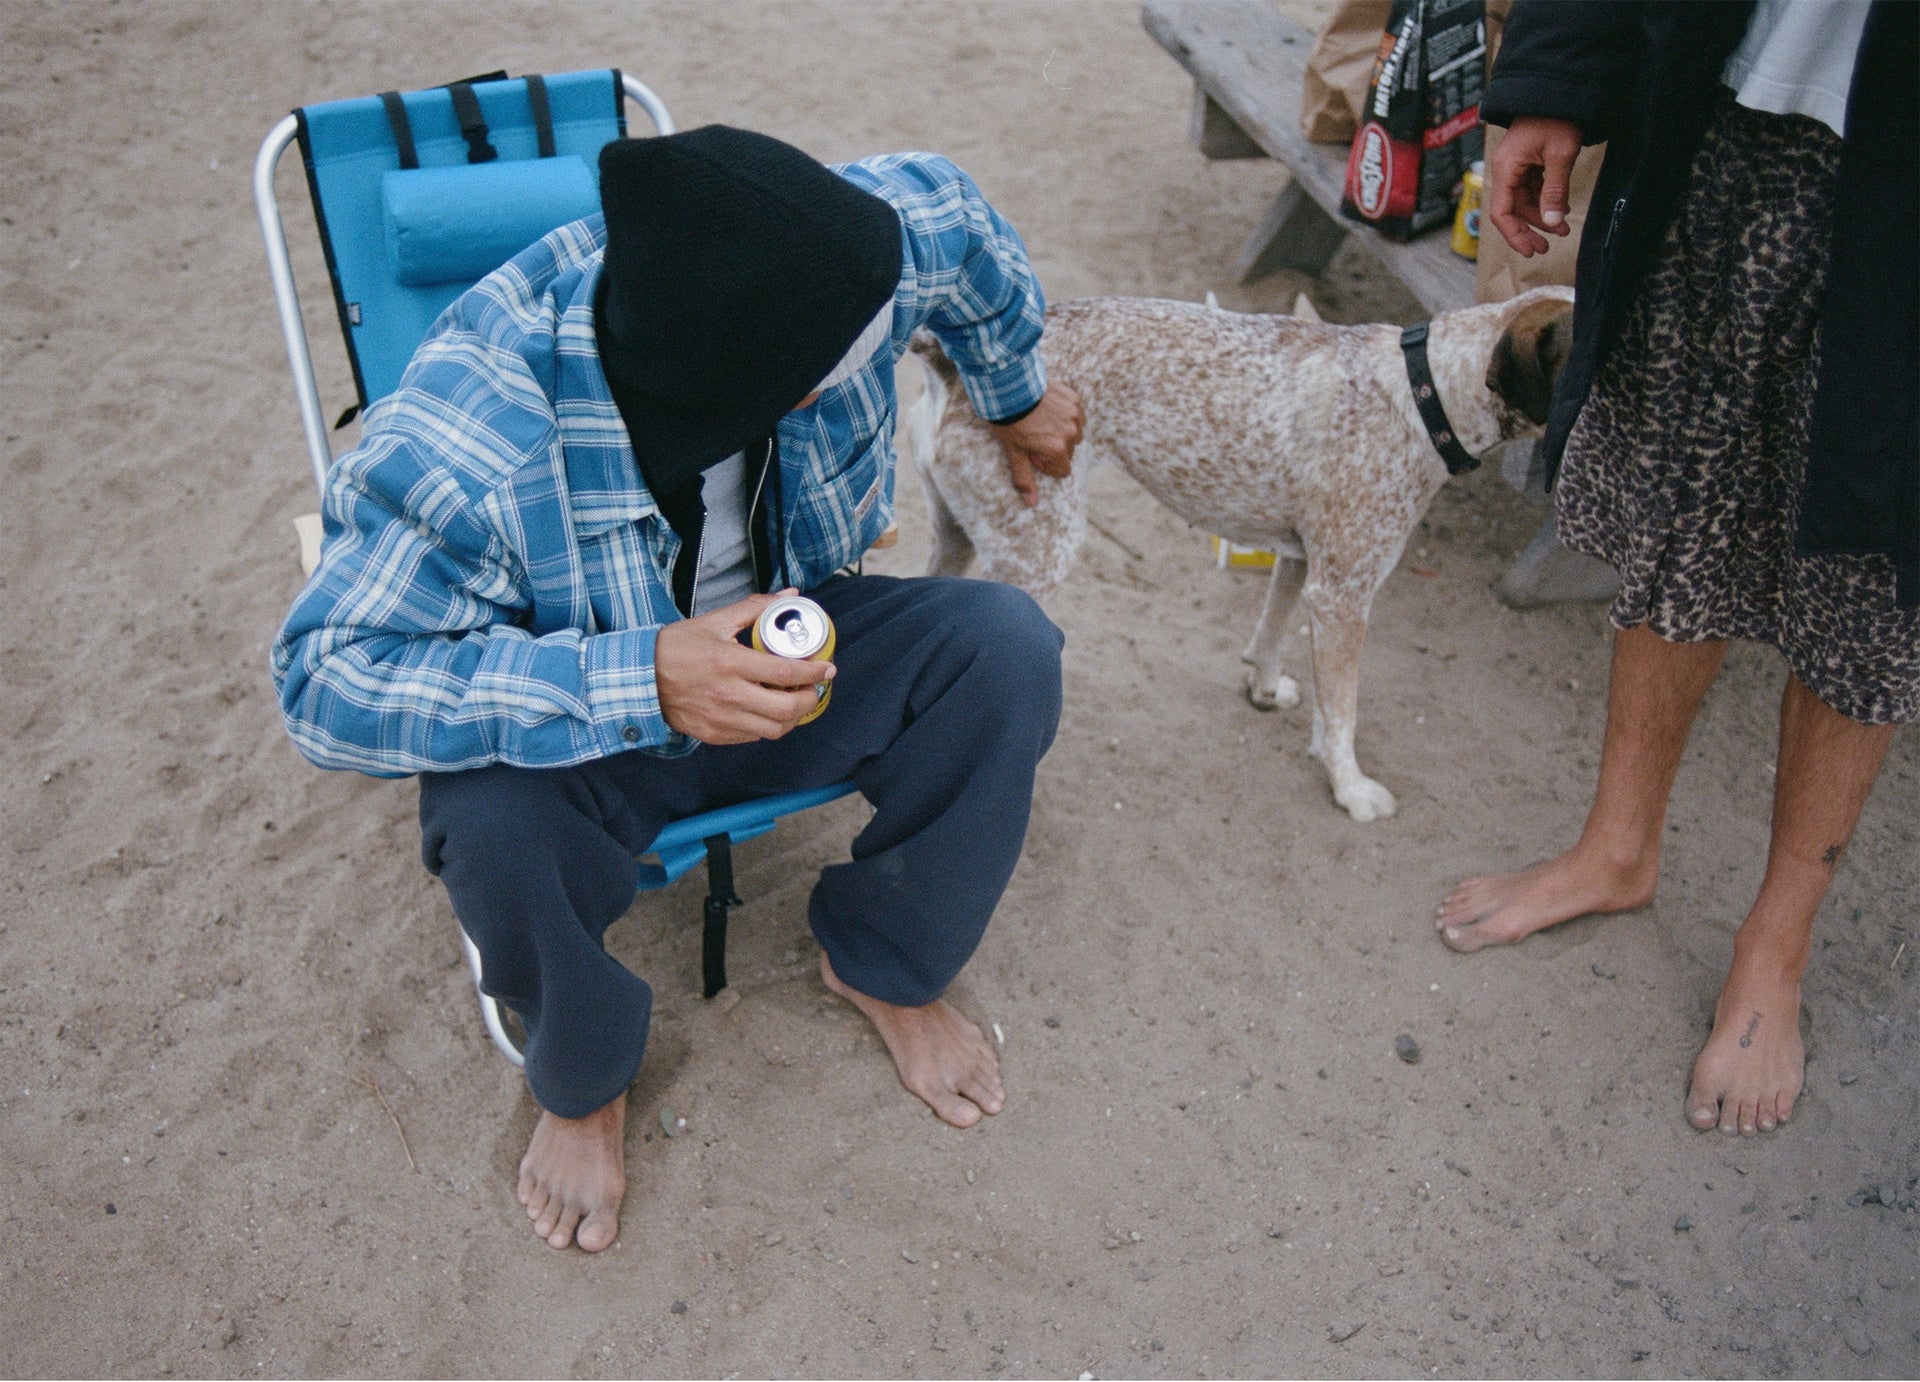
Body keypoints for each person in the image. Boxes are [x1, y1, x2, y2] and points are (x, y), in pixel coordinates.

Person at [273, 126, 1085, 1250]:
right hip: (579, 706)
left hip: (796, 641)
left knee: (1005, 651)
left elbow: (952, 222)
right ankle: (585, 1071)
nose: (874, 358)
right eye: (833, 374)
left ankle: (886, 961)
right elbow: (323, 678)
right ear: (768, 390)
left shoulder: (825, 258)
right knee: (484, 820)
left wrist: (1014, 393)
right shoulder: (478, 434)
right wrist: (642, 678)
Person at [1437, 1, 1916, 1137]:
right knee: (1679, 495)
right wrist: (1555, 72)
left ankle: (1776, 940)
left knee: (1877, 563)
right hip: (1728, 97)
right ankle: (1618, 842)